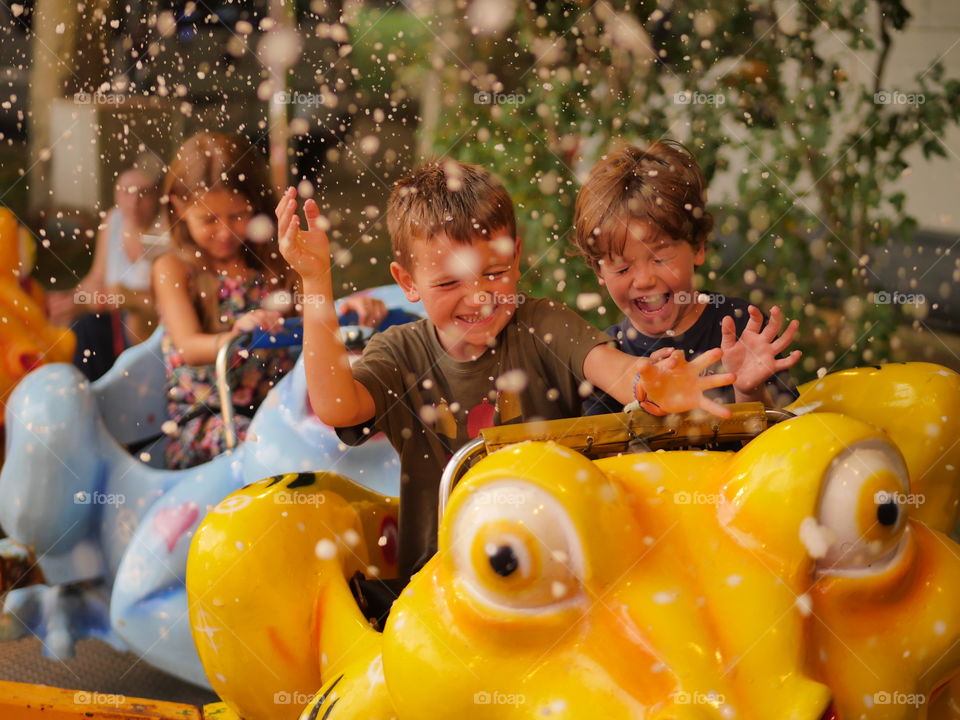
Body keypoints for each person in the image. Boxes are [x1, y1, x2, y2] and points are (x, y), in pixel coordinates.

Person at [277, 159, 735, 587]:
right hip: (443, 586)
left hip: (561, 576)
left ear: (516, 257)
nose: (479, 298)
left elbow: (612, 369)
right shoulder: (401, 353)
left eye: (495, 273)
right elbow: (337, 407)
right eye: (450, 283)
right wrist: (316, 282)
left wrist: (649, 381)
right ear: (407, 282)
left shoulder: (542, 325)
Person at [572, 141, 801, 416]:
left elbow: (784, 444)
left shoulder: (742, 328)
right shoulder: (607, 357)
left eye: (659, 258)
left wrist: (749, 391)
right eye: (622, 269)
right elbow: (603, 454)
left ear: (698, 247)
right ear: (599, 272)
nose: (643, 280)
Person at [49, 159, 169, 380]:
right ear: (115, 194)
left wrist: (122, 298)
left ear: (158, 196)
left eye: (144, 193)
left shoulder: (167, 230)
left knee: (89, 325)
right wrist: (72, 298)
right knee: (71, 324)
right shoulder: (113, 220)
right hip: (112, 316)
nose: (134, 202)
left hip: (147, 324)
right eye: (126, 192)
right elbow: (96, 278)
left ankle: (95, 392)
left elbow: (162, 302)